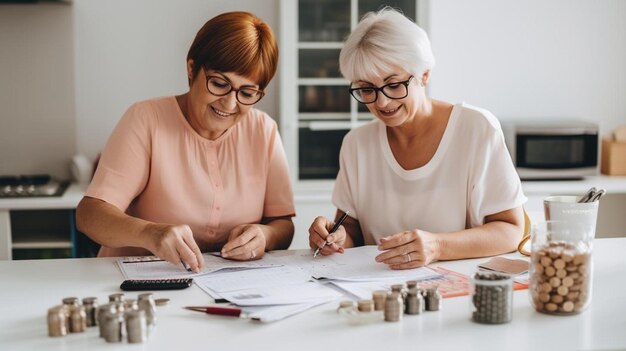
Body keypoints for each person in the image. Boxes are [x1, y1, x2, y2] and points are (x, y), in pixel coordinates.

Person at [308, 8, 526, 269]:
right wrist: (336, 237)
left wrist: (437, 246)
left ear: (424, 74)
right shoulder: (357, 144)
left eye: (394, 84)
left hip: (458, 290)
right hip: (378, 292)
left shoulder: (476, 129)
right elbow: (352, 228)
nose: (382, 101)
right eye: (367, 89)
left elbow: (510, 230)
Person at [76, 11, 295, 272]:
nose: (229, 103)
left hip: (224, 288)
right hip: (135, 283)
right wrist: (150, 233)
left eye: (247, 92)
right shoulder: (146, 120)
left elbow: (283, 224)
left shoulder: (264, 130)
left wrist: (264, 236)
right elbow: (90, 215)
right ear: (192, 69)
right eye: (219, 83)